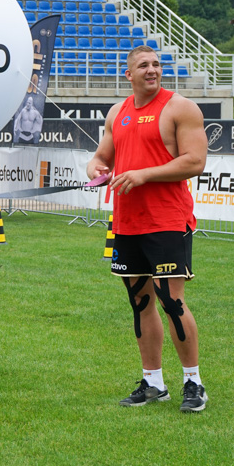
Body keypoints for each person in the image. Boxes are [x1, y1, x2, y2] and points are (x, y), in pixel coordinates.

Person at [86, 45, 209, 413]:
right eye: (144, 65)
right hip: (128, 223)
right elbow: (101, 157)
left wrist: (142, 174)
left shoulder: (181, 108)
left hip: (167, 221)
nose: (152, 70)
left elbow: (195, 161)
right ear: (129, 74)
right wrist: (95, 168)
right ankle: (153, 382)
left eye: (157, 64)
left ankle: (193, 383)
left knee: (172, 302)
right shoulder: (117, 112)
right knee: (140, 303)